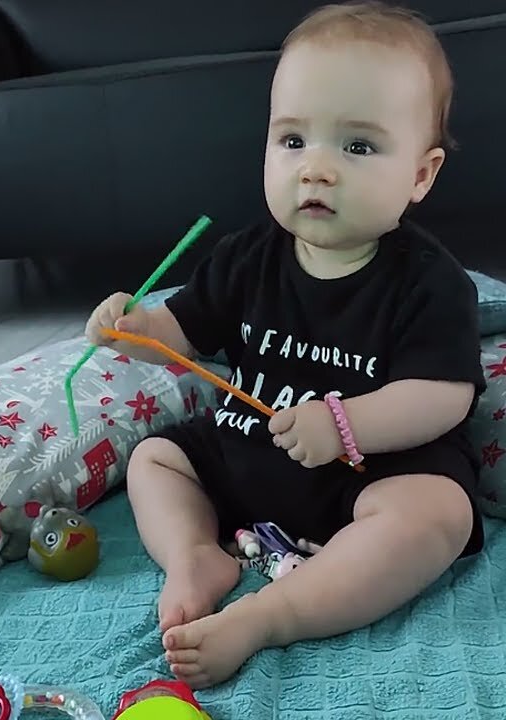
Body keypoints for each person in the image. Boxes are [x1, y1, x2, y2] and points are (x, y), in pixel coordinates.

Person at [85, 1, 483, 689]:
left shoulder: (431, 281)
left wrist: (346, 424)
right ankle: (193, 557)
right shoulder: (248, 257)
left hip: (366, 480)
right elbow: (184, 335)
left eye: (357, 146)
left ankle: (274, 614)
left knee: (437, 516)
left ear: (421, 175)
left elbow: (443, 395)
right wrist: (136, 332)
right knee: (154, 460)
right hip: (245, 455)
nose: (316, 170)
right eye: (293, 141)